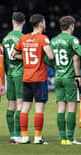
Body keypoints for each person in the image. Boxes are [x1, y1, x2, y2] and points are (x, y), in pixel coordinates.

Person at [12, 14, 54, 144]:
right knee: (39, 107)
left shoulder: (24, 38)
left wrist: (27, 58)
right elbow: (51, 56)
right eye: (44, 22)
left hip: (26, 77)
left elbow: (14, 55)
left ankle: (24, 137)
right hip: (39, 78)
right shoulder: (43, 38)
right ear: (41, 23)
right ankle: (37, 138)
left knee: (25, 107)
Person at [47, 16, 81, 145]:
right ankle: (71, 138)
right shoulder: (73, 40)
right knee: (72, 107)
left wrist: (56, 67)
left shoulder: (53, 40)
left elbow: (48, 59)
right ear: (71, 26)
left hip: (58, 77)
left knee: (61, 107)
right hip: (69, 78)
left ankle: (63, 138)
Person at [2, 12, 25, 143]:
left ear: (12, 22)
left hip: (9, 73)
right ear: (24, 22)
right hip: (20, 73)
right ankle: (19, 135)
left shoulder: (5, 38)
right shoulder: (23, 38)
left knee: (11, 105)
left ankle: (12, 135)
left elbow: (4, 60)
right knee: (21, 104)